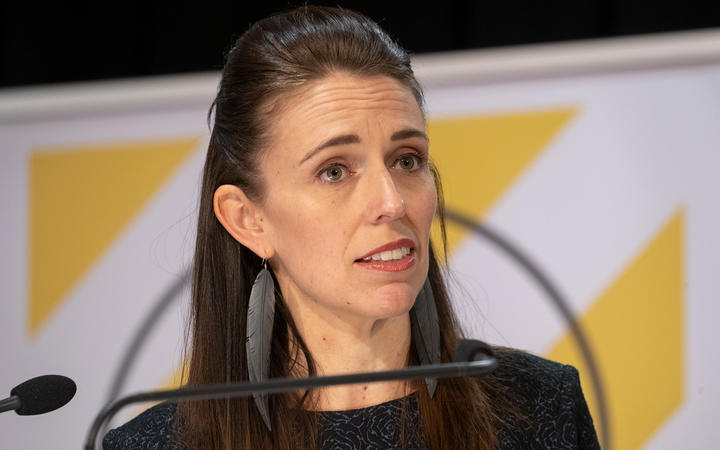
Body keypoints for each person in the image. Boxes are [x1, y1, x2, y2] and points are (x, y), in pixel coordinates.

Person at [103, 5, 600, 449]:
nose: (390, 201)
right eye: (334, 171)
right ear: (247, 219)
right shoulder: (154, 445)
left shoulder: (540, 409)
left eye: (407, 160)